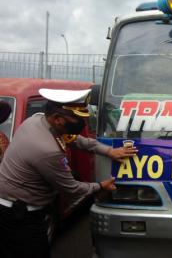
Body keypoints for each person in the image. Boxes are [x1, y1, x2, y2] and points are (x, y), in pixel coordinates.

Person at [0, 88, 138, 258]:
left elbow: (76, 140)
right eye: (77, 118)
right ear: (58, 119)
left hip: (14, 206)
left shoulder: (37, 120)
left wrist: (109, 151)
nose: (82, 122)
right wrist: (101, 186)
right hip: (19, 217)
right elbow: (72, 189)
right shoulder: (47, 150)